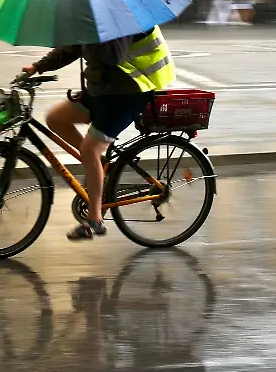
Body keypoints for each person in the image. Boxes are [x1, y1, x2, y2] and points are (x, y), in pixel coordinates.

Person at [20, 26, 175, 240]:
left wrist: (92, 32)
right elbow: (72, 49)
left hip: (129, 92)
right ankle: (98, 165)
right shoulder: (92, 16)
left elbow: (112, 55)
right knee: (55, 118)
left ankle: (94, 220)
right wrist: (37, 67)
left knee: (89, 149)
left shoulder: (122, 18)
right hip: (102, 88)